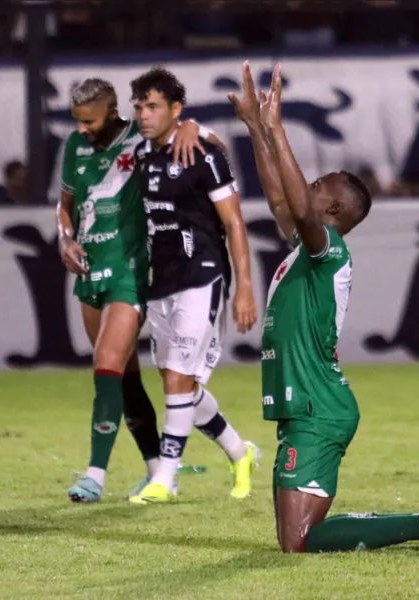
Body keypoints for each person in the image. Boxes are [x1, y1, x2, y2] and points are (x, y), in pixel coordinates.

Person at [229, 61, 419, 553]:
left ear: (331, 211)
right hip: (308, 405)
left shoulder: (327, 248)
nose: (304, 189)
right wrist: (254, 126)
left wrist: (276, 128)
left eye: (316, 188)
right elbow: (278, 199)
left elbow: (297, 206)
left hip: (318, 408)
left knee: (298, 543)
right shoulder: (307, 251)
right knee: (300, 538)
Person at [57, 77, 226, 503]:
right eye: (77, 121)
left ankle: (95, 474)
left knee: (106, 363)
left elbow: (212, 145)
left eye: (90, 122)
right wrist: (64, 237)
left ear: (114, 112)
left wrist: (196, 128)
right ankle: (158, 470)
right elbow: (65, 204)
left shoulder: (141, 140)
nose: (82, 130)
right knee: (125, 379)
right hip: (89, 268)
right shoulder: (74, 148)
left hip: (131, 272)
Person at [127, 67, 259, 504]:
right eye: (139, 106)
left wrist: (244, 288)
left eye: (153, 107)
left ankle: (164, 477)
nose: (144, 115)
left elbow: (235, 223)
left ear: (175, 109)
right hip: (160, 281)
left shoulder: (202, 153)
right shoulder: (141, 155)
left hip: (202, 274)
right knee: (178, 382)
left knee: (178, 379)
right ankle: (240, 452)